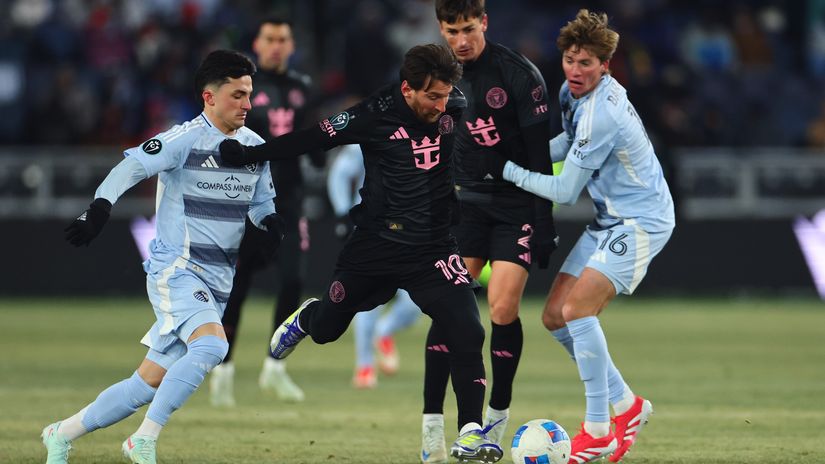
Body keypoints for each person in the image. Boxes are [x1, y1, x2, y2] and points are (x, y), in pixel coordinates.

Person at [220, 44, 503, 464]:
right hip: (374, 247)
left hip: (433, 248)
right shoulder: (372, 113)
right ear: (407, 89)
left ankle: (470, 433)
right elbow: (310, 137)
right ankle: (305, 318)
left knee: (469, 330)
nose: (443, 105)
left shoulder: (454, 106)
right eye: (433, 97)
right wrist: (250, 154)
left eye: (447, 95)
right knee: (329, 329)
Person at [43, 50, 279, 464]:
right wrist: (100, 206)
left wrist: (271, 226)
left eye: (250, 95)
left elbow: (261, 204)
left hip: (218, 281)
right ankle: (143, 439)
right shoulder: (184, 139)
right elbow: (130, 167)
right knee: (211, 348)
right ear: (209, 96)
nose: (248, 104)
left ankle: (61, 433)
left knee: (145, 384)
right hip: (177, 270)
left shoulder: (255, 147)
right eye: (238, 95)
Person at [467, 10, 675, 463]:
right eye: (570, 60)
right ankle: (628, 405)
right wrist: (513, 153)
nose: (576, 71)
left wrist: (502, 167)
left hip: (642, 221)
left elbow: (563, 188)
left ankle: (599, 429)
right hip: (609, 218)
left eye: (587, 63)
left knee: (579, 309)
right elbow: (560, 147)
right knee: (556, 317)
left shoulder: (603, 113)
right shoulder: (571, 94)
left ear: (606, 66)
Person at [422, 0, 559, 455]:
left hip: (515, 205)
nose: (460, 41)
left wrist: (544, 222)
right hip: (463, 206)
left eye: (467, 29)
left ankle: (496, 418)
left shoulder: (518, 75)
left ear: (484, 22)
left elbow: (540, 156)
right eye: (451, 31)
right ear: (441, 29)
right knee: (450, 311)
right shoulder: (435, 75)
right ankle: (433, 429)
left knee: (501, 307)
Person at [209, 17, 324, 407]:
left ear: (291, 46)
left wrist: (320, 156)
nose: (276, 46)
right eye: (270, 39)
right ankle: (222, 371)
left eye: (283, 40)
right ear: (257, 43)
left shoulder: (303, 88)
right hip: (244, 200)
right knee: (236, 287)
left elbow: (314, 135)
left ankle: (274, 368)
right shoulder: (241, 88)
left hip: (289, 199)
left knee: (293, 279)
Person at [326, 144, 422, 389]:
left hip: (413, 228)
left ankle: (384, 331)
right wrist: (341, 213)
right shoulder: (374, 125)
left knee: (416, 303)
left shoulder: (426, 131)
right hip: (373, 229)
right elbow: (339, 172)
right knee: (369, 298)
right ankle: (365, 365)